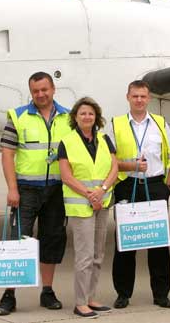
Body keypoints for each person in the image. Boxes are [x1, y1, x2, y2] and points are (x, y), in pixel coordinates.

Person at [0, 71, 71, 316]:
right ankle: (9, 294)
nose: (40, 94)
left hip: (57, 190)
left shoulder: (69, 118)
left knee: (52, 239)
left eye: (44, 89)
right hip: (26, 190)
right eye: (36, 91)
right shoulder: (17, 117)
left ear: (53, 89)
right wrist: (12, 188)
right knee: (18, 241)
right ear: (31, 92)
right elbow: (7, 153)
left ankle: (47, 291)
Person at [109, 80, 170, 309]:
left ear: (149, 99)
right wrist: (130, 166)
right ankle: (123, 293)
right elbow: (109, 160)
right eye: (135, 96)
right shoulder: (115, 124)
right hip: (128, 185)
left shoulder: (160, 123)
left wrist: (168, 184)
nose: (139, 100)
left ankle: (161, 294)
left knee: (158, 244)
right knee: (125, 243)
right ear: (128, 97)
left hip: (156, 185)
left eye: (143, 96)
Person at [58, 97, 119, 318]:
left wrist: (102, 190)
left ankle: (92, 297)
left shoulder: (104, 139)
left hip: (101, 202)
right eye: (83, 113)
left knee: (98, 254)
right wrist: (89, 194)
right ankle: (80, 302)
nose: (87, 117)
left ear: (96, 117)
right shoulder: (67, 142)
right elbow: (66, 176)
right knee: (84, 256)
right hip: (81, 205)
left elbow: (114, 167)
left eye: (91, 114)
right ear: (75, 117)